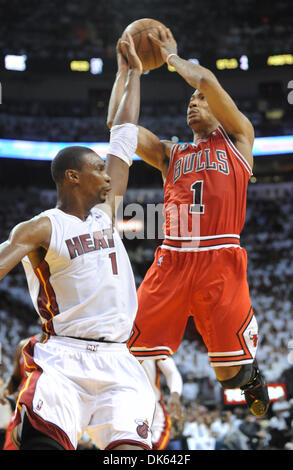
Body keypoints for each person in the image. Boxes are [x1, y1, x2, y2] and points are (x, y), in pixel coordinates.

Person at [0, 34, 156, 451]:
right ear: (73, 176)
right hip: (63, 360)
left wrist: (131, 74)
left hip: (120, 360)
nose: (109, 177)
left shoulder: (106, 216)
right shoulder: (41, 227)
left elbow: (123, 136)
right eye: (99, 170)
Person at [108, 28, 269, 418]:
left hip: (220, 257)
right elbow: (120, 129)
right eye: (190, 101)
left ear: (218, 107)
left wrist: (171, 58)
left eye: (200, 99)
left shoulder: (239, 139)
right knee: (127, 352)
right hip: (173, 259)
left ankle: (249, 378)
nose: (193, 103)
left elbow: (207, 80)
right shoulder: (170, 153)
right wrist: (127, 72)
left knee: (229, 376)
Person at [141, 357, 183, 450]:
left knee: (153, 445)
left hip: (152, 407)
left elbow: (171, 372)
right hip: (118, 406)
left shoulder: (152, 344)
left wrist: (175, 393)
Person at [0, 337, 33, 450]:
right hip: (21, 412)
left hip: (47, 414)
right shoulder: (23, 345)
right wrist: (4, 391)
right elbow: (15, 378)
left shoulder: (60, 347)